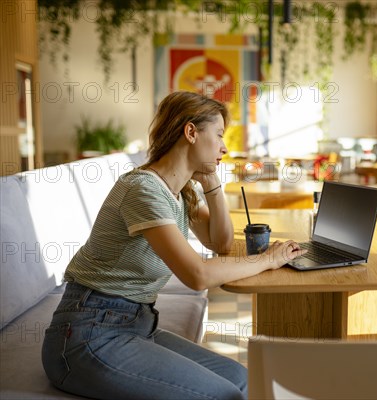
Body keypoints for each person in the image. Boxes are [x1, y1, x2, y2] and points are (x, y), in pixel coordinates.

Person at [41, 91, 306, 400]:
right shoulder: (143, 189)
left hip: (136, 325)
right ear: (191, 132)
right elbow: (197, 275)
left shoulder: (180, 192)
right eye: (219, 135)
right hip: (87, 336)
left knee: (242, 378)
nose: (224, 146)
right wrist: (269, 259)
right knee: (224, 395)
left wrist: (211, 183)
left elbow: (220, 242)